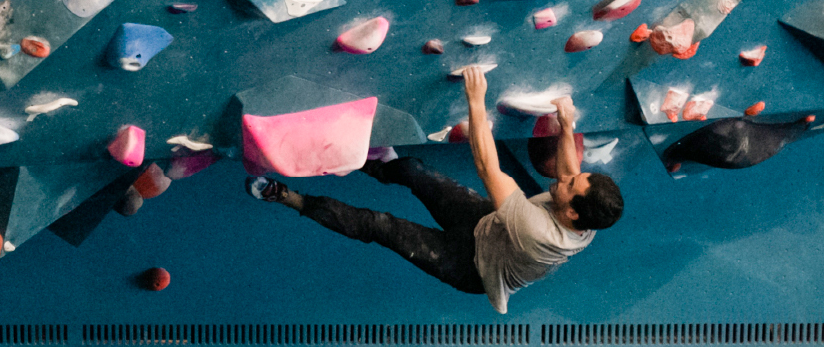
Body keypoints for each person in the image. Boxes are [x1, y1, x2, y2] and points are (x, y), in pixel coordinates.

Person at [246, 68, 622, 313]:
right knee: (413, 170)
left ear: (571, 212)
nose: (563, 179)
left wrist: (475, 100)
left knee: (379, 225)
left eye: (569, 187)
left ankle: (291, 198)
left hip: (470, 267)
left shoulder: (536, 231)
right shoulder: (584, 220)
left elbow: (487, 166)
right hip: (490, 226)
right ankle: (369, 160)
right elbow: (571, 171)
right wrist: (567, 125)